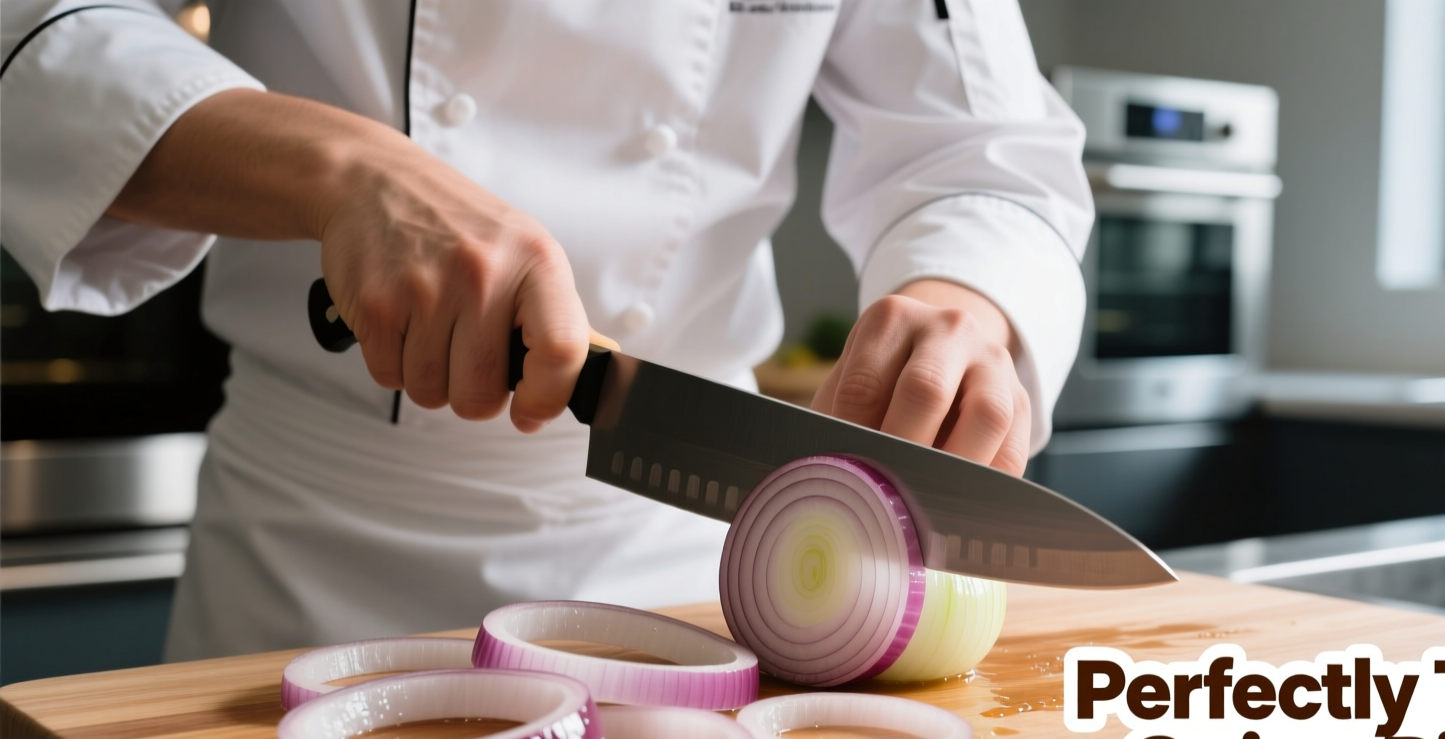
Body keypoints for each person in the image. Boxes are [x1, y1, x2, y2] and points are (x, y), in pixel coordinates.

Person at [0, 0, 1092, 659]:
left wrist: (972, 294)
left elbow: (979, 139)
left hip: (690, 569)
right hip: (317, 559)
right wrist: (341, 167)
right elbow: (41, 32)